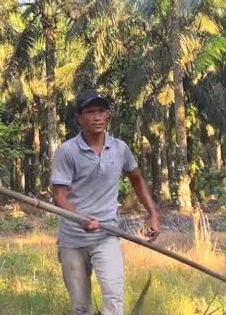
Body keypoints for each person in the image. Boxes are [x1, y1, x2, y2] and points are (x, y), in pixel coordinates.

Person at [52, 89, 161, 315]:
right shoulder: (67, 151)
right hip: (73, 239)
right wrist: (79, 217)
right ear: (79, 118)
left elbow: (137, 179)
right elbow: (59, 195)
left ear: (108, 115)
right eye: (90, 112)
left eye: (101, 111)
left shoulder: (120, 148)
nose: (97, 117)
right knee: (81, 307)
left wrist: (153, 214)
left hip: (107, 235)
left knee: (114, 299)